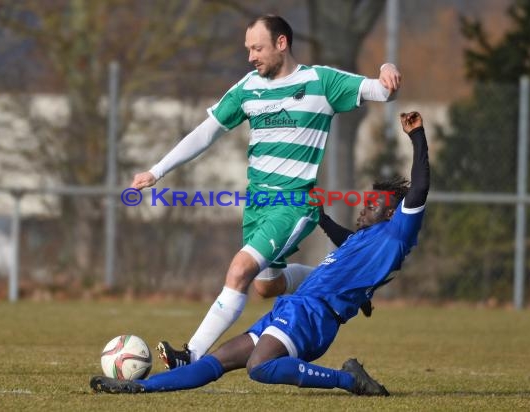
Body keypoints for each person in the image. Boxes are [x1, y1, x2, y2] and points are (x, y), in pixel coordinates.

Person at [90, 111, 429, 395]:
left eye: (371, 206)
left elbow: (420, 187)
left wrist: (416, 136)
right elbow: (347, 246)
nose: (362, 209)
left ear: (391, 214)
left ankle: (349, 379)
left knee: (259, 366)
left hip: (313, 316)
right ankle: (141, 388)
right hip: (295, 307)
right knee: (216, 362)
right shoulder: (365, 239)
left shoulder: (397, 232)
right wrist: (322, 217)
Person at [131, 14, 402, 368]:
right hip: (257, 204)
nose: (250, 56)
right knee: (266, 286)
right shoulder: (247, 87)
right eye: (248, 49)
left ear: (281, 43)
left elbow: (381, 90)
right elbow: (205, 132)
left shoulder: (320, 82)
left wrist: (387, 66)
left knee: (239, 270)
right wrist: (156, 170)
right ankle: (342, 283)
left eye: (257, 48)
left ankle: (190, 355)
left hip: (293, 203)